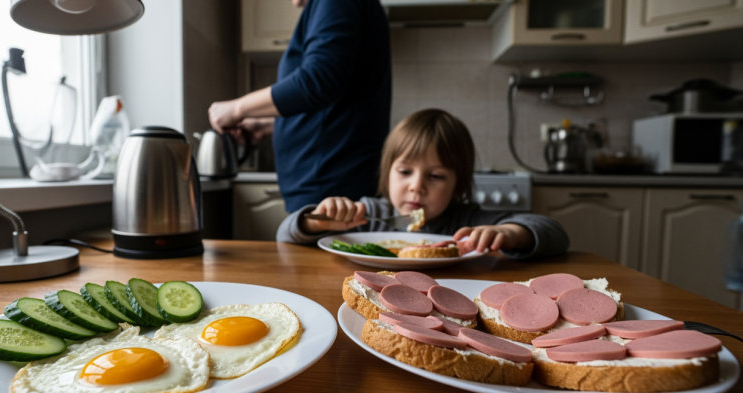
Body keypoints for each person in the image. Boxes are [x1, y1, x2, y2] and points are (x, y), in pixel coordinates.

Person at [277, 109, 570, 259]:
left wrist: (510, 233)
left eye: (436, 176)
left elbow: (555, 233)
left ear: (458, 185)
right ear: (387, 174)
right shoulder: (367, 215)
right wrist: (317, 221)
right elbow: (284, 236)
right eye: (405, 171)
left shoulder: (466, 221)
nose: (416, 186)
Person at [208, 0, 391, 212]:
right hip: (328, 184)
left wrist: (237, 108)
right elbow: (333, 106)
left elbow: (318, 81)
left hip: (330, 188)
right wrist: (270, 126)